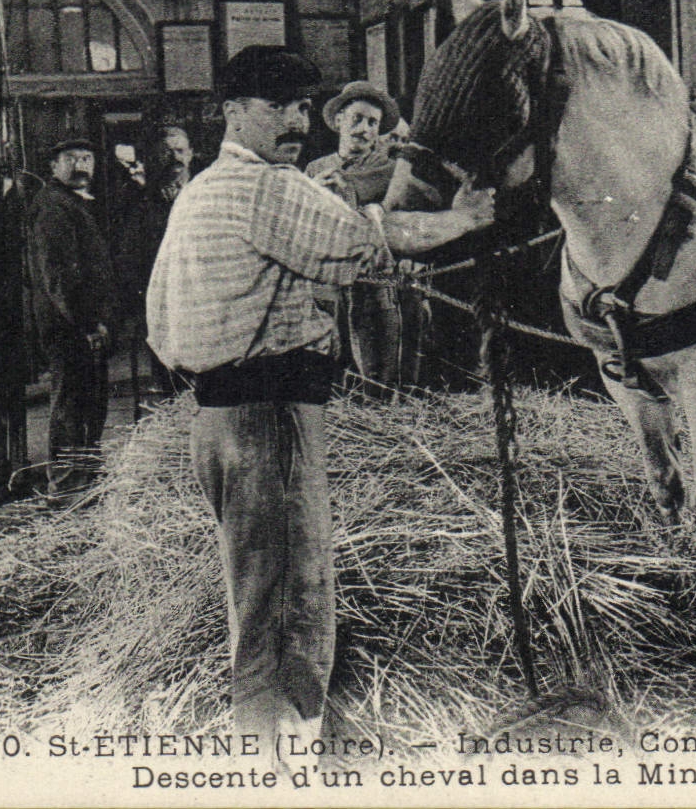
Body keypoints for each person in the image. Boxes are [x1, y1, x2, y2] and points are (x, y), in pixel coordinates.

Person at [144, 46, 495, 761]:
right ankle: (279, 763)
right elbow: (374, 241)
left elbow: (157, 321)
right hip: (272, 418)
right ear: (232, 112)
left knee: (258, 594)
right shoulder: (269, 187)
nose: (297, 122)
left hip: (216, 421)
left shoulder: (198, 195)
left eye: (304, 107)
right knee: (288, 606)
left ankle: (279, 748)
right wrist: (468, 217)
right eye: (278, 107)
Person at [26, 136, 116, 500]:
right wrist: (87, 324)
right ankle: (65, 485)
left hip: (82, 324)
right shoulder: (53, 207)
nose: (81, 165)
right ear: (52, 166)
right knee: (72, 403)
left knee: (88, 402)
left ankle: (84, 477)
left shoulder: (73, 203)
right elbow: (59, 277)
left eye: (87, 157)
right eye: (70, 158)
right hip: (70, 326)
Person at [306, 82, 407, 384]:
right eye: (357, 119)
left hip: (375, 286)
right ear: (339, 121)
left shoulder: (391, 172)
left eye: (372, 123)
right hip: (327, 285)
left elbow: (403, 222)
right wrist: (315, 194)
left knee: (376, 364)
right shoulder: (315, 169)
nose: (363, 129)